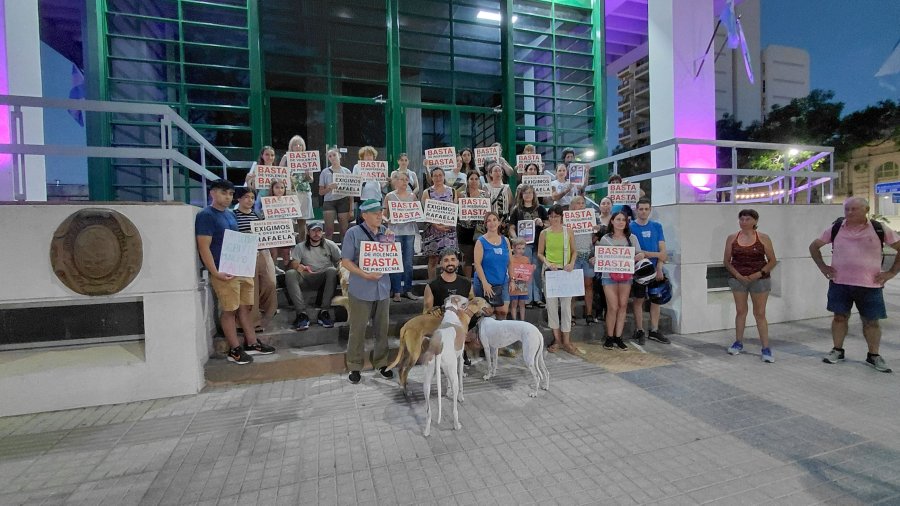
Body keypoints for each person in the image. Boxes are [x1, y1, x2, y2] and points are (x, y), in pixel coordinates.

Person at [809, 197, 900, 373]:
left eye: (854, 209)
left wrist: (891, 273)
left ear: (866, 209)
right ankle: (837, 350)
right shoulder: (836, 228)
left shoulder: (878, 228)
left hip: (870, 285)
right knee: (839, 317)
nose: (849, 213)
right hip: (840, 283)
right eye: (847, 209)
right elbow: (814, 246)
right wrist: (822, 267)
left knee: (871, 321)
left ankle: (873, 355)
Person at [195, 179, 275, 365]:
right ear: (213, 193)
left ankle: (252, 342)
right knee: (229, 310)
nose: (228, 197)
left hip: (240, 267)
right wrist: (215, 272)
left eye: (231, 194)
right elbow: (203, 246)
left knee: (245, 308)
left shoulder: (230, 215)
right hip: (224, 270)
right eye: (224, 193)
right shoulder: (206, 215)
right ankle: (234, 349)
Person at [341, 199, 394, 383]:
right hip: (361, 288)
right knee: (358, 329)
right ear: (364, 215)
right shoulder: (352, 233)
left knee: (382, 329)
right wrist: (363, 274)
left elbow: (390, 259)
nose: (379, 215)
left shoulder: (386, 233)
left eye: (380, 211)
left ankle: (381, 362)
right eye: (374, 212)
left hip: (383, 288)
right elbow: (346, 260)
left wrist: (390, 241)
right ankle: (355, 366)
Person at [723, 209, 777, 361]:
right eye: (741, 219)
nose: (744, 222)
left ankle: (765, 348)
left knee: (759, 313)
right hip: (738, 278)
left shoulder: (764, 238)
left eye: (747, 219)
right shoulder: (732, 238)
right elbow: (726, 261)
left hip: (759, 279)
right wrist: (738, 275)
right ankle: (738, 342)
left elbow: (772, 260)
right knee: (741, 311)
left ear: (755, 221)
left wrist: (758, 273)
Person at [232, 187, 277, 333]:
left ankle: (267, 311)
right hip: (245, 253)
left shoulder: (258, 215)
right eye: (246, 197)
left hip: (262, 251)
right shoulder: (233, 215)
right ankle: (253, 322)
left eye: (252, 197)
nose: (249, 200)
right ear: (238, 199)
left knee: (270, 282)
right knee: (252, 287)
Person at [538, 205, 580, 355]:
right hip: (551, 272)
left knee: (566, 306)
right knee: (551, 306)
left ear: (561, 217)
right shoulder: (544, 233)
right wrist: (548, 263)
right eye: (551, 216)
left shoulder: (568, 231)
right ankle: (557, 339)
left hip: (565, 271)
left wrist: (571, 263)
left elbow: (574, 251)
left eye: (556, 216)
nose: (554, 219)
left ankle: (567, 340)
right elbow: (540, 253)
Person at [599, 211, 644, 351]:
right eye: (618, 219)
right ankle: (609, 337)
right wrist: (595, 259)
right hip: (608, 276)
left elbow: (639, 253)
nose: (620, 222)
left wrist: (640, 255)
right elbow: (599, 257)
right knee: (612, 306)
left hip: (626, 276)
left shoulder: (632, 238)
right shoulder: (605, 239)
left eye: (623, 220)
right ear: (612, 221)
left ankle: (618, 337)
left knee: (623, 305)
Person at [285, 222, 341, 331]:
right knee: (290, 273)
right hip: (306, 277)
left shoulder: (330, 245)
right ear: (308, 232)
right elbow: (295, 263)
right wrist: (301, 267)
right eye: (314, 231)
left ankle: (324, 311)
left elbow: (340, 260)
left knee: (332, 270)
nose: (316, 233)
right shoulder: (300, 247)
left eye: (319, 231)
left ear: (322, 233)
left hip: (323, 278)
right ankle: (301, 314)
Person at [630, 198, 671, 345]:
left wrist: (659, 265)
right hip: (640, 270)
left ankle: (654, 330)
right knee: (638, 300)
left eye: (646, 209)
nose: (643, 212)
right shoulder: (630, 227)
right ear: (636, 209)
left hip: (656, 270)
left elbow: (663, 252)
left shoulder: (657, 226)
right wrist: (655, 255)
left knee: (656, 300)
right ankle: (639, 330)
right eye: (641, 209)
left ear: (650, 209)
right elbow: (636, 253)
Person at [508, 184, 548, 308]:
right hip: (523, 246)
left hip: (538, 244)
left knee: (536, 272)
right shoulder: (516, 209)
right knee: (525, 272)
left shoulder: (540, 209)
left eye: (530, 192)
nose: (528, 195)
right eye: (525, 193)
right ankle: (527, 299)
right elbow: (511, 227)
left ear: (534, 194)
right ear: (521, 195)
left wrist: (541, 223)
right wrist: (516, 239)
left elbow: (548, 224)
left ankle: (537, 298)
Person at [384, 170, 420, 301]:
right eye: (402, 179)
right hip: (394, 232)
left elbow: (417, 213)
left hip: (409, 232)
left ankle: (408, 289)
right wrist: (387, 220)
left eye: (406, 180)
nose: (405, 182)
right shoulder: (389, 196)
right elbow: (383, 213)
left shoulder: (412, 196)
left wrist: (415, 215)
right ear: (395, 181)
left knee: (408, 263)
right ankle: (396, 291)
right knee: (396, 262)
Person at [473, 211, 512, 321]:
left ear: (499, 222)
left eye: (494, 220)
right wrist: (485, 283)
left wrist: (512, 280)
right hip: (484, 283)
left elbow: (510, 262)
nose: (492, 223)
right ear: (485, 224)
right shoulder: (480, 242)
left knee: (503, 311)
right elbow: (477, 264)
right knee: (486, 314)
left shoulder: (506, 240)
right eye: (488, 221)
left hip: (502, 281)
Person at [422, 167, 458, 281]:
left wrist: (449, 224)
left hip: (449, 231)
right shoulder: (427, 192)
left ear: (444, 176)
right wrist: (436, 225)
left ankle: (449, 283)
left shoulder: (452, 191)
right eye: (435, 175)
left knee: (449, 258)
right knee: (433, 259)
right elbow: (425, 212)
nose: (438, 178)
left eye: (440, 175)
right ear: (431, 177)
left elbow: (455, 210)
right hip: (433, 231)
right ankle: (432, 285)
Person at [569, 196, 600, 325]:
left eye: (583, 203)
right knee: (573, 287)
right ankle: (571, 315)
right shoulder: (569, 219)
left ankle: (588, 313)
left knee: (589, 285)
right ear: (573, 205)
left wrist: (596, 229)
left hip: (587, 255)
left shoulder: (591, 218)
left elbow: (595, 237)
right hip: (574, 257)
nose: (581, 205)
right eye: (578, 203)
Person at [280, 135, 313, 242]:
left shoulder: (307, 158)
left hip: (304, 192)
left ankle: (302, 245)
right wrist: (287, 175)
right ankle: (289, 245)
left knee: (302, 221)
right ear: (291, 146)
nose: (297, 147)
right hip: (290, 192)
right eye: (295, 145)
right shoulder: (286, 157)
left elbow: (311, 179)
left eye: (300, 145)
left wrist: (307, 174)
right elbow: (279, 173)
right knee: (289, 220)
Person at [457, 171, 488, 278]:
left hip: (481, 230)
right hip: (464, 230)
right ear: (467, 181)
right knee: (467, 259)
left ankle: (480, 282)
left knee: (481, 258)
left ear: (479, 181)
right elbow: (457, 212)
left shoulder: (485, 195)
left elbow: (489, 212)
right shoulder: (461, 195)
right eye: (471, 179)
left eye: (476, 179)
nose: (474, 181)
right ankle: (468, 284)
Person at [319, 147, 352, 244]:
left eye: (334, 155)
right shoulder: (325, 172)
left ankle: (344, 253)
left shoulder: (346, 171)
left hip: (343, 200)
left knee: (344, 230)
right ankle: (328, 252)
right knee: (329, 229)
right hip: (329, 201)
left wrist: (351, 208)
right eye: (330, 156)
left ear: (339, 156)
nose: (332, 158)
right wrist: (329, 188)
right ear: (328, 159)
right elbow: (320, 192)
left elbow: (352, 191)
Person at [266, 180, 294, 272]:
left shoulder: (290, 201)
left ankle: (288, 273)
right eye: (277, 187)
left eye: (282, 187)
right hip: (272, 230)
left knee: (286, 254)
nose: (280, 190)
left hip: (286, 230)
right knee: (273, 253)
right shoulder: (266, 201)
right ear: (272, 189)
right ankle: (273, 271)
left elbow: (294, 216)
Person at [245, 145, 276, 215]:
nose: (270, 157)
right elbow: (252, 189)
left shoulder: (279, 171)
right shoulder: (257, 170)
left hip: (275, 200)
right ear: (262, 156)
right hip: (261, 199)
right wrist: (248, 180)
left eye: (272, 155)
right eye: (267, 154)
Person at [353, 146, 382, 218]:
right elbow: (354, 182)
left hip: (376, 197)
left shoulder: (379, 167)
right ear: (362, 157)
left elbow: (382, 184)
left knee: (375, 219)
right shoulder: (357, 167)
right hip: (363, 197)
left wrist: (387, 181)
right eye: (366, 155)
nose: (368, 157)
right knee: (362, 219)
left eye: (370, 155)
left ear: (373, 156)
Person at [509, 238, 534, 321]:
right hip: (513, 283)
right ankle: (514, 321)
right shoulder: (510, 259)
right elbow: (508, 270)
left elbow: (528, 272)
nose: (521, 251)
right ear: (514, 248)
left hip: (523, 284)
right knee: (514, 303)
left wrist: (533, 268)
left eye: (523, 248)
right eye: (519, 248)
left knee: (522, 303)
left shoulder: (526, 259)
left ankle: (523, 321)